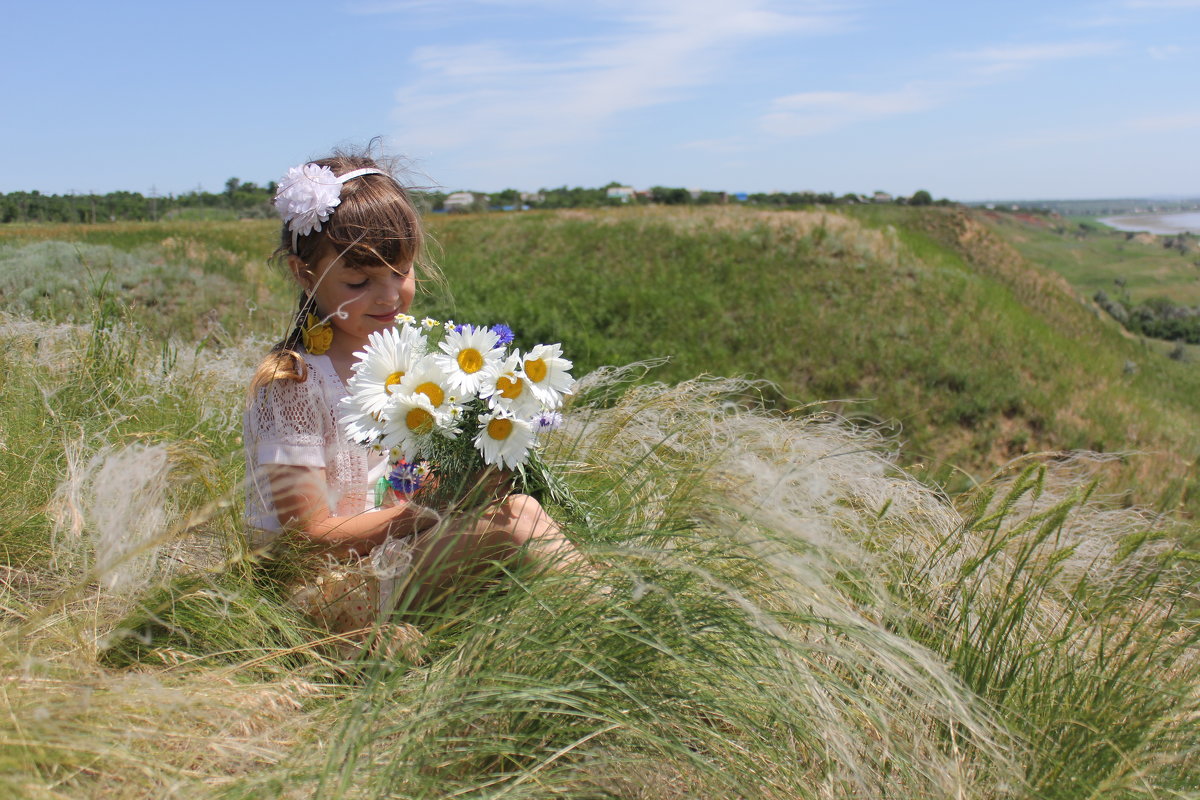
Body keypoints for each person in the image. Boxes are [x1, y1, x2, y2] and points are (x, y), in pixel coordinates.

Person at [243, 152, 578, 651]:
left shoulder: (414, 359)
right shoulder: (292, 385)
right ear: (305, 274)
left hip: (401, 552)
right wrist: (427, 510)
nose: (388, 297)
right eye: (359, 283)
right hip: (324, 590)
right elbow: (305, 541)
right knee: (517, 525)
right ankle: (625, 639)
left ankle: (603, 637)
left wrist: (472, 475)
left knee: (516, 511)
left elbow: (409, 478)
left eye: (400, 272)